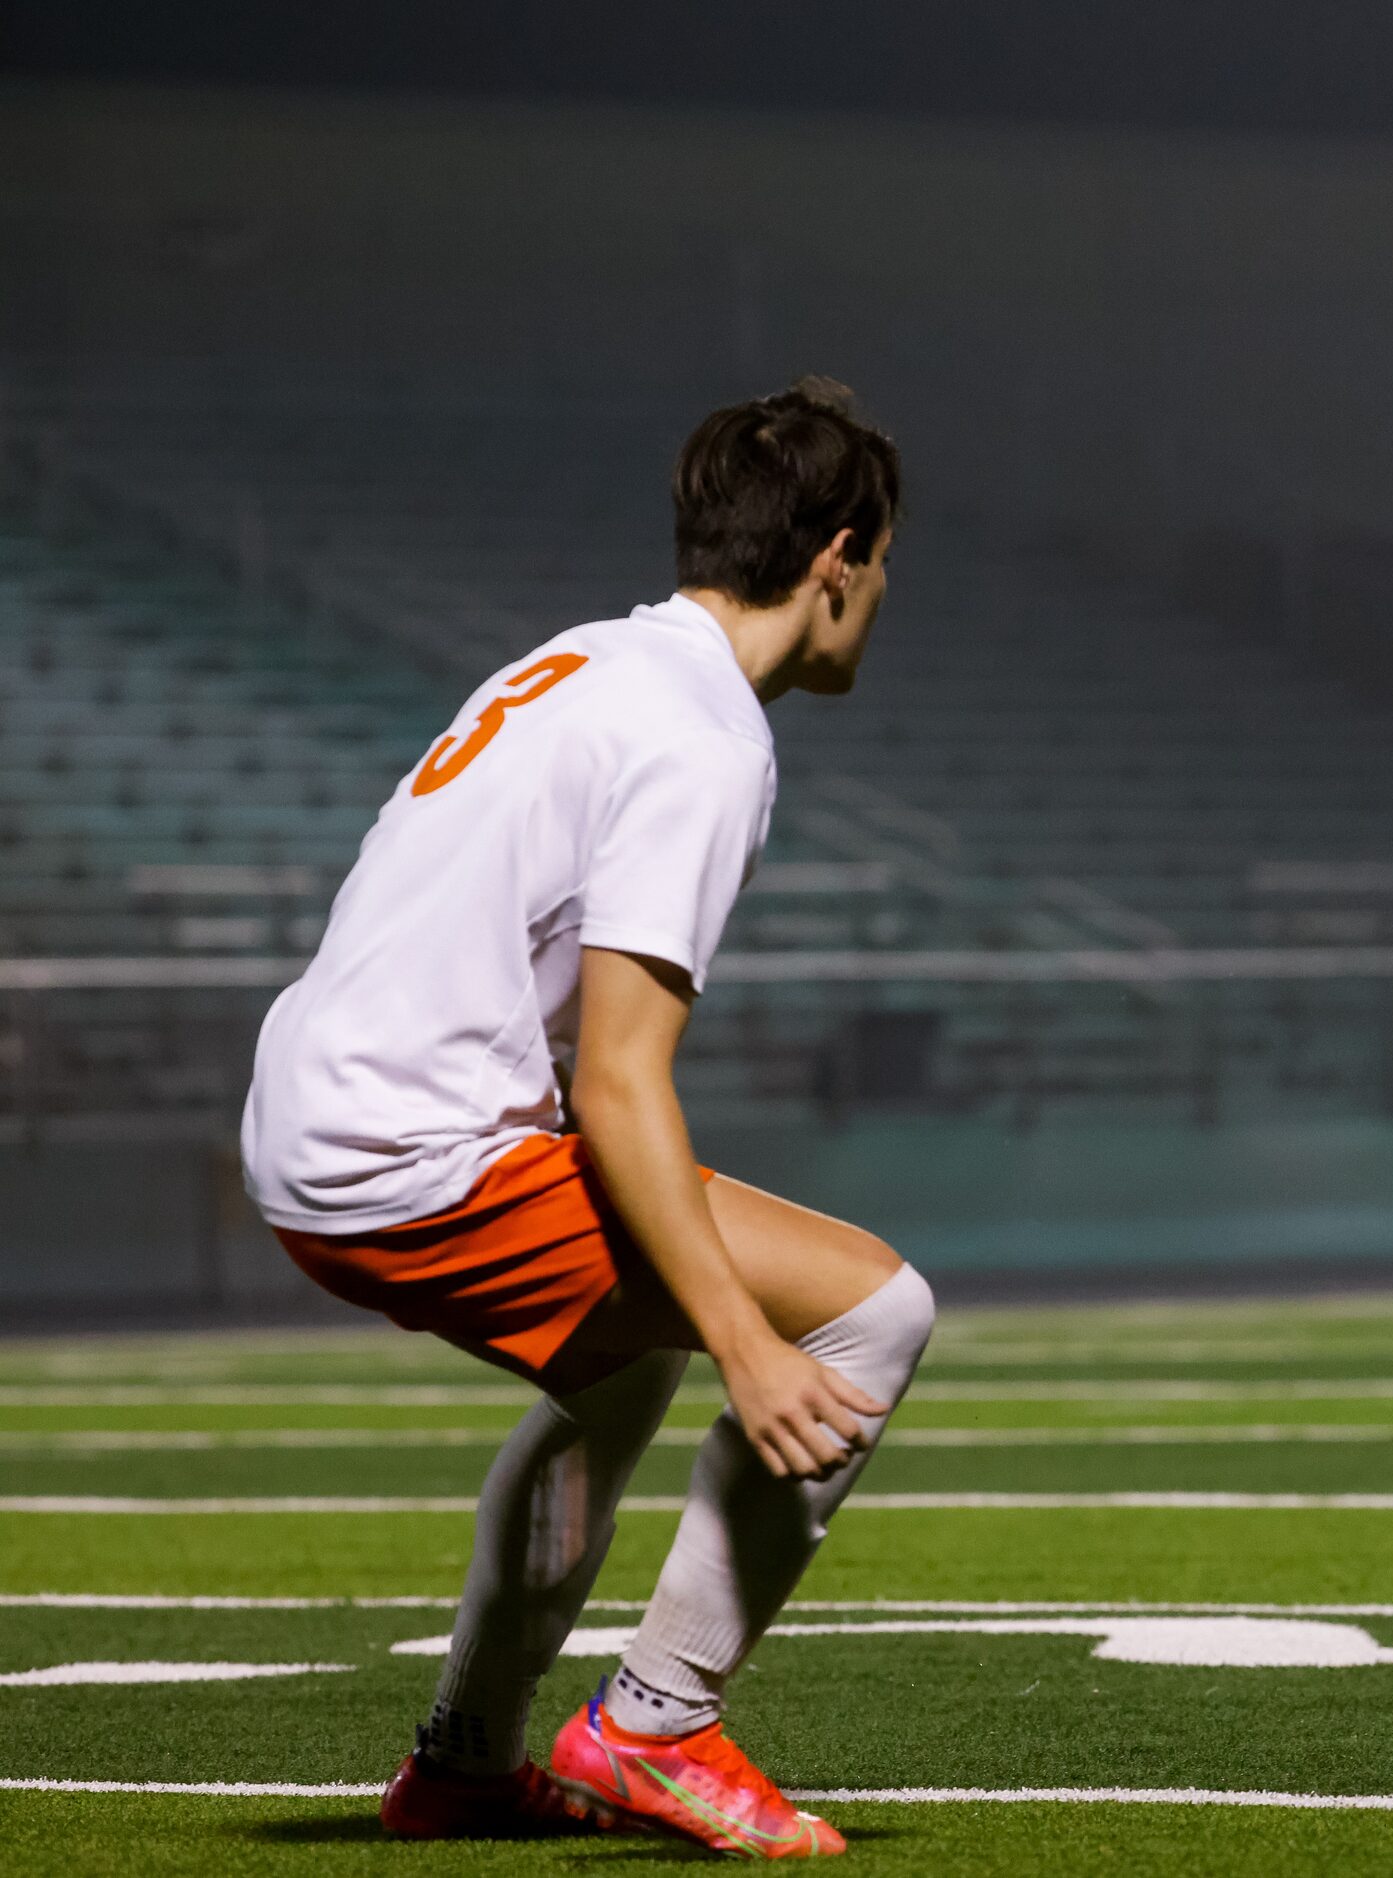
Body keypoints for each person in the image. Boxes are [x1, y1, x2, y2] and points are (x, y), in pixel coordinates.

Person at [243, 379, 929, 1855]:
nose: (879, 597)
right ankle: (654, 1723)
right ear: (839, 556)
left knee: (616, 1378)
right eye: (882, 566)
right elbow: (621, 1080)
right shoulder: (702, 735)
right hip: (407, 1153)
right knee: (871, 1313)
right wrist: (749, 1341)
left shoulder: (585, 658)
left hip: (316, 1118)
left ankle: (467, 1760)